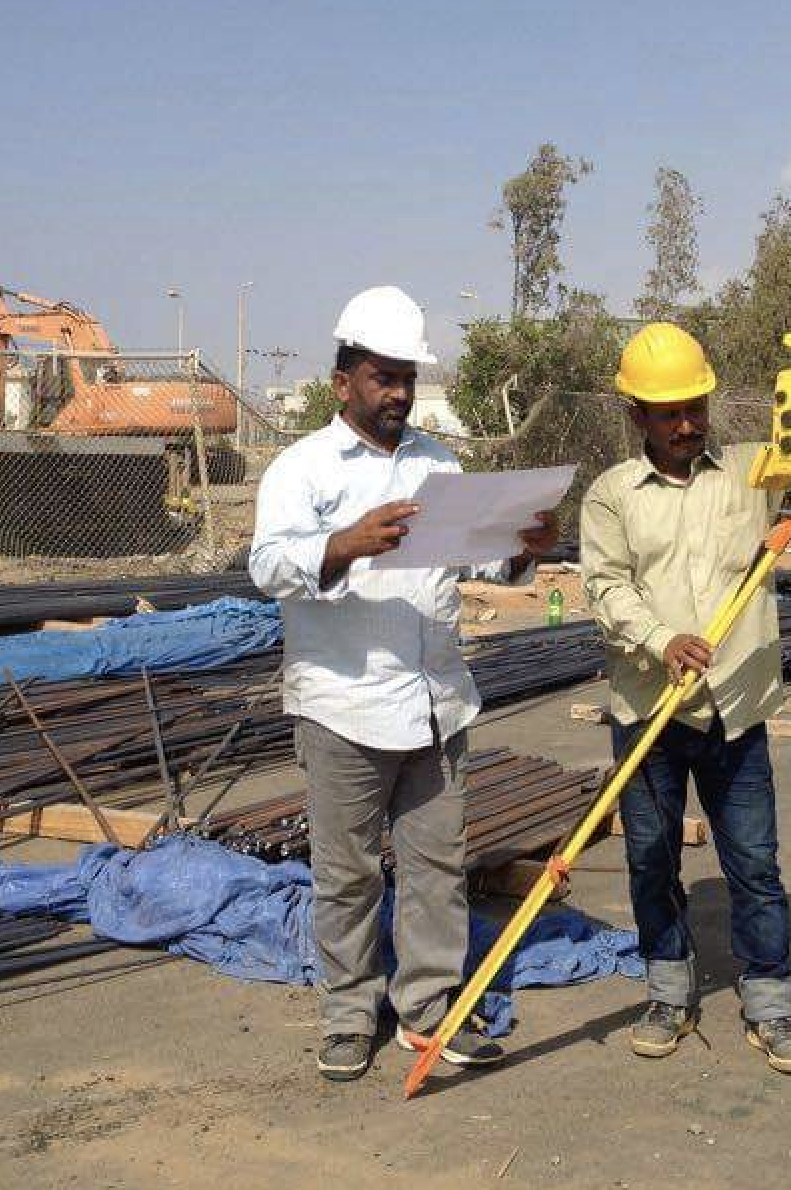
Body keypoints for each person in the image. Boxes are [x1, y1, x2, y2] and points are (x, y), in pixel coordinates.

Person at [248, 285, 559, 1082]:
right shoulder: (302, 469)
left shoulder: (437, 463)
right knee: (347, 874)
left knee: (434, 872)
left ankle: (430, 1009)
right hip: (343, 705)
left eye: (406, 379)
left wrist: (522, 548)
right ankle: (351, 1013)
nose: (398, 394)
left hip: (436, 700)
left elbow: (481, 559)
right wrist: (343, 544)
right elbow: (266, 565)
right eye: (383, 377)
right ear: (342, 380)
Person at [579, 322, 791, 1077]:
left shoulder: (751, 471)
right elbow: (605, 587)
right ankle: (669, 991)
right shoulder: (610, 496)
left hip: (735, 708)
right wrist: (661, 638)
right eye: (668, 412)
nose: (686, 424)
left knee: (755, 862)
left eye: (695, 407)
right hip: (649, 707)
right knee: (649, 857)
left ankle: (770, 1001)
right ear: (636, 415)